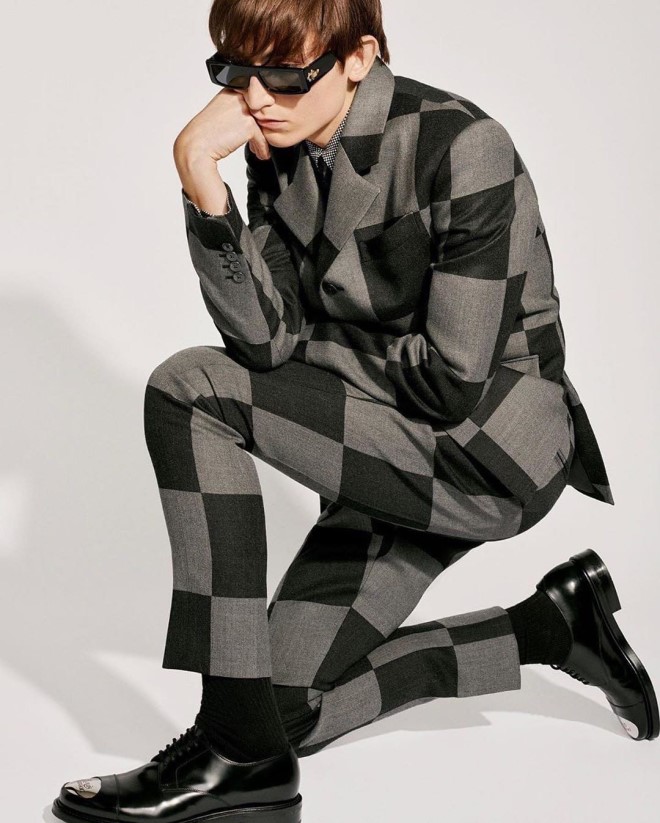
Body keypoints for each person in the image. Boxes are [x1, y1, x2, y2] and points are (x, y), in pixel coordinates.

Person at [51, 1, 659, 821]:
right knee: (278, 708)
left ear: (358, 58)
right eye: (235, 72)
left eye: (285, 74)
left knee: (189, 389)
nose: (255, 98)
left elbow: (451, 379)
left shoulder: (463, 146)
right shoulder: (279, 150)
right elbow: (265, 340)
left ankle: (231, 754)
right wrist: (199, 174)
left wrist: (311, 348)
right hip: (386, 448)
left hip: (488, 453)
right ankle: (551, 627)